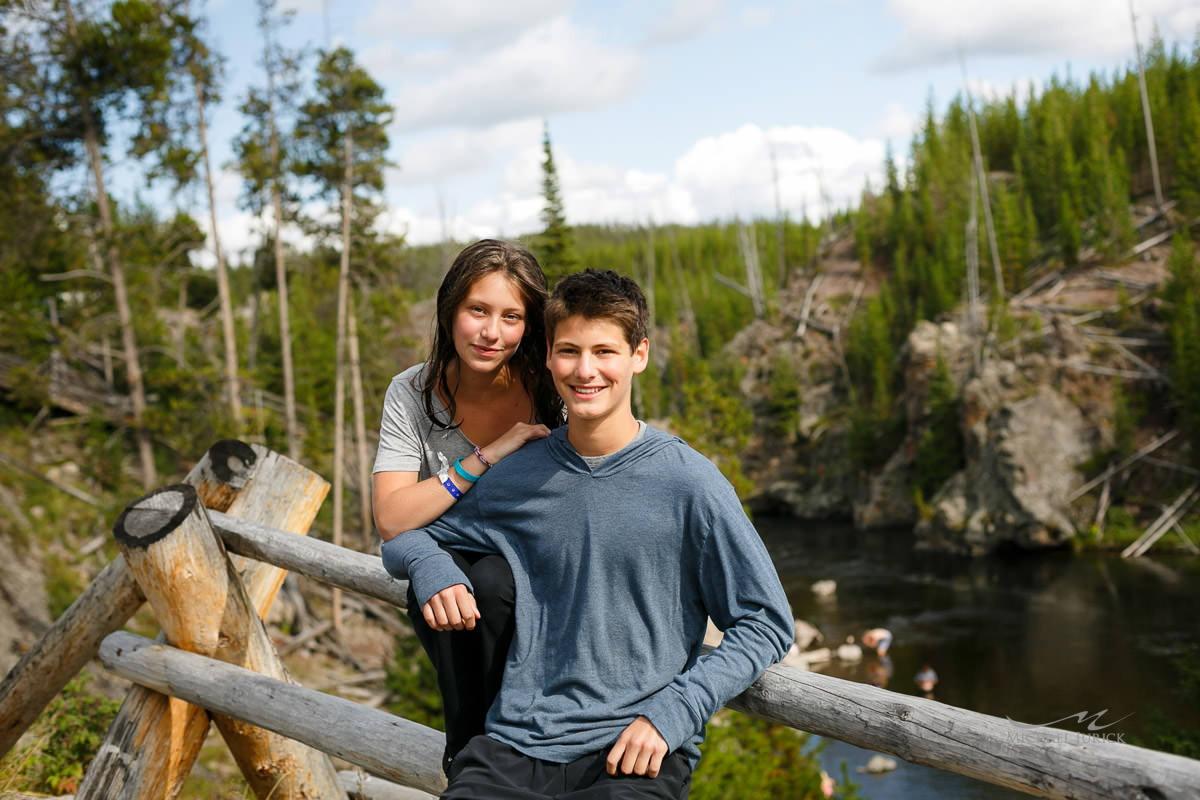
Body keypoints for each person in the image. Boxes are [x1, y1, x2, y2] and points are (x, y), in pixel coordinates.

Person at [381, 269, 793, 799]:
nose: (585, 370)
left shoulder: (690, 483)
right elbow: (404, 535)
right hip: (512, 747)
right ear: (548, 355)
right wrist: (432, 566)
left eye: (605, 352)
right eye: (570, 351)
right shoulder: (520, 476)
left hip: (632, 754)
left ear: (638, 355)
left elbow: (765, 622)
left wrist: (675, 713)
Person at [372, 239, 564, 773]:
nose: (491, 332)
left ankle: (480, 756)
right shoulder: (412, 391)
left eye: (511, 316)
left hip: (524, 553)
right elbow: (390, 518)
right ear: (450, 309)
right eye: (477, 310)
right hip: (448, 553)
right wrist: (485, 458)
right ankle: (472, 757)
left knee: (496, 583)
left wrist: (427, 517)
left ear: (530, 325)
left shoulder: (552, 389)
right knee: (445, 581)